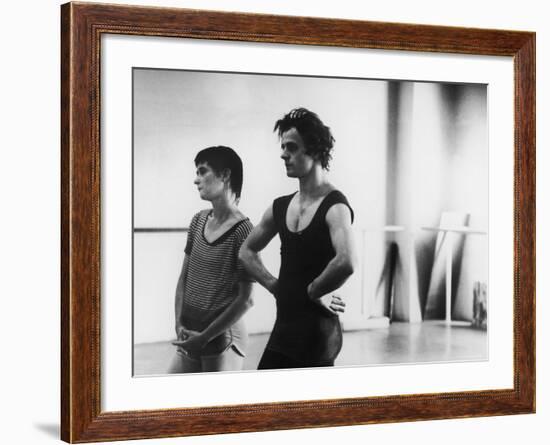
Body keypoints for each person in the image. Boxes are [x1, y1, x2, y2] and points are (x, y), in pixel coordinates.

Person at [239, 108, 356, 370]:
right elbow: (246, 251)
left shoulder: (335, 206)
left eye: (291, 147)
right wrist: (273, 285)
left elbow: (347, 261)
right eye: (283, 147)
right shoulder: (280, 207)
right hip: (284, 330)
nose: (283, 154)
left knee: (307, 409)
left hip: (319, 335)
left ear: (314, 150)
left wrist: (316, 291)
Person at [168, 146, 254, 373]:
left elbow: (246, 299)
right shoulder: (198, 220)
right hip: (191, 334)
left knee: (214, 407)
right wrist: (178, 323)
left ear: (225, 175)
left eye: (202, 171)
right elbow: (183, 279)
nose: (196, 180)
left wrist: (205, 337)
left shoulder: (243, 231)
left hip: (222, 339)